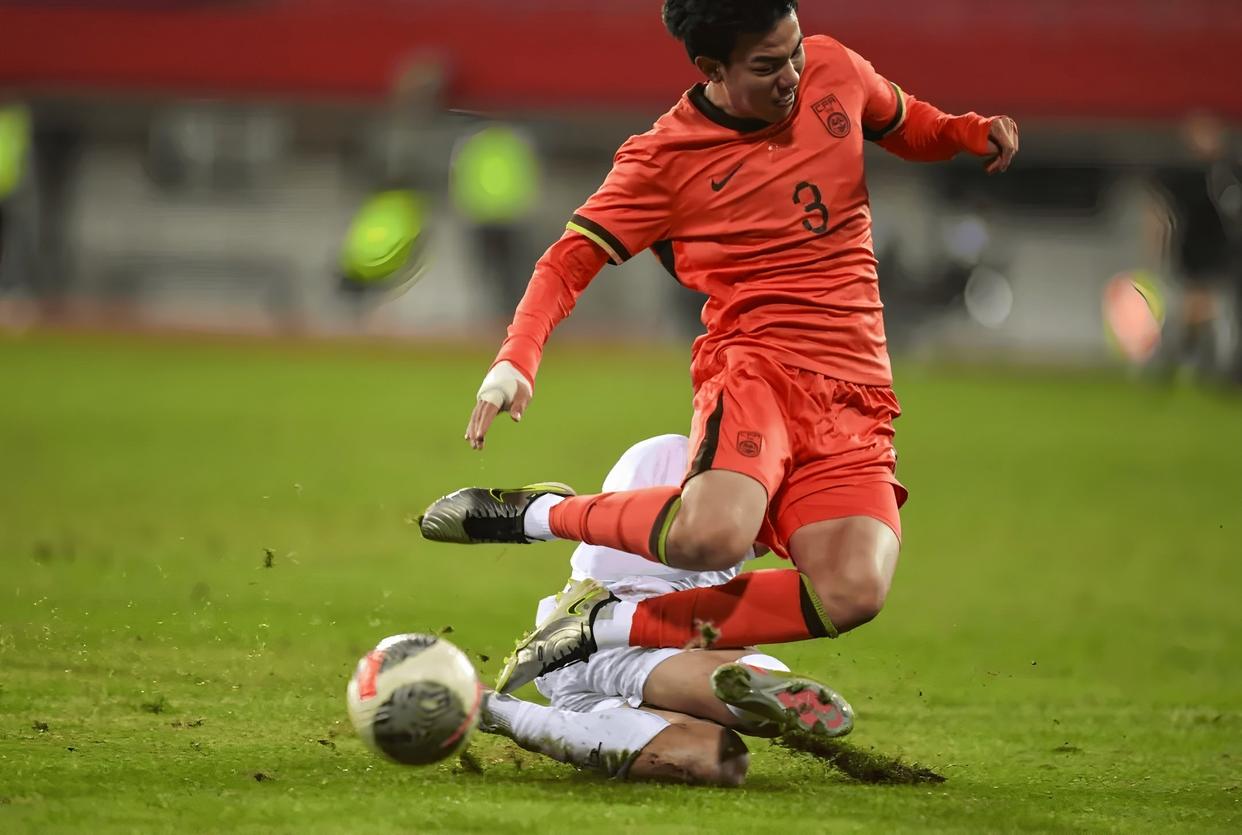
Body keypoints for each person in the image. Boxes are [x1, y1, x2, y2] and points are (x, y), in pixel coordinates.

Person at [420, 0, 1019, 692]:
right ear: (713, 69)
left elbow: (908, 123)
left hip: (857, 392)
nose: (792, 74)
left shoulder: (834, 69)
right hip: (757, 368)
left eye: (794, 50)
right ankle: (537, 514)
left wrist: (967, 132)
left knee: (851, 591)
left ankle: (600, 626)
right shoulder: (664, 156)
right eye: (767, 66)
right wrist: (516, 358)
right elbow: (567, 260)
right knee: (713, 536)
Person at [476, 434, 853, 786]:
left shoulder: (731, 479)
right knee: (745, 677)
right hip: (597, 630)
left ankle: (499, 711)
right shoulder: (674, 456)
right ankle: (753, 693)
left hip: (629, 650)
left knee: (720, 761)